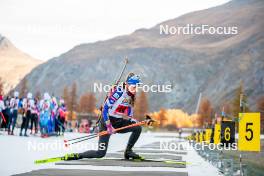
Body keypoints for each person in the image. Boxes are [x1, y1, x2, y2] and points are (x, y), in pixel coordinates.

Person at [66, 73, 144, 160]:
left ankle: (128, 151)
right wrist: (109, 126)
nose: (135, 89)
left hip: (119, 122)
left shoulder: (131, 95)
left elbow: (129, 109)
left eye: (137, 87)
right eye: (134, 86)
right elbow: (105, 109)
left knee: (137, 128)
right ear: (127, 84)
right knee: (100, 153)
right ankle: (78, 155)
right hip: (106, 122)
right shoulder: (119, 92)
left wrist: (131, 120)